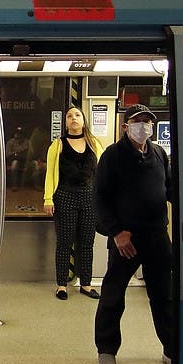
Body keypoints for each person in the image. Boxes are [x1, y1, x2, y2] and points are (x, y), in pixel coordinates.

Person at [93, 103, 175, 364]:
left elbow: (170, 190)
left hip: (157, 235)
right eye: (138, 121)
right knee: (113, 295)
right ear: (127, 126)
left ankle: (171, 347)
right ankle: (106, 350)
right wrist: (116, 231)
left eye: (147, 121)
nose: (144, 126)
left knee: (164, 295)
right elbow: (100, 198)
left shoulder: (160, 154)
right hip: (125, 239)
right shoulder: (113, 156)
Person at [43, 106, 104, 300]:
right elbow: (50, 174)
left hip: (89, 198)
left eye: (77, 115)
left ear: (84, 120)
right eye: (70, 116)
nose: (74, 118)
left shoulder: (94, 143)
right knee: (64, 243)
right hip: (64, 197)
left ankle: (86, 284)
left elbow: (102, 173)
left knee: (87, 243)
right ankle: (62, 285)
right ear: (66, 122)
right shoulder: (58, 144)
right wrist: (48, 198)